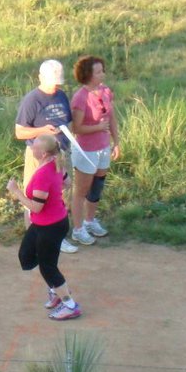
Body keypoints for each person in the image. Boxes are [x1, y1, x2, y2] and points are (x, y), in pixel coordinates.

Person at [6, 134, 81, 321]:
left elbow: (36, 207)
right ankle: (56, 291)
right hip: (48, 223)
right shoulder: (55, 163)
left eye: (35, 147)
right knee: (26, 255)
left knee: (48, 267)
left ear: (44, 153)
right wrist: (54, 194)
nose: (32, 148)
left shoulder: (43, 173)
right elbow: (67, 183)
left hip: (50, 226)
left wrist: (16, 192)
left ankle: (70, 305)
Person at [15, 59, 78, 254]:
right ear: (40, 78)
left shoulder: (61, 96)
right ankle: (33, 238)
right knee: (34, 197)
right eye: (52, 82)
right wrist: (42, 130)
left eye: (57, 82)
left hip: (60, 154)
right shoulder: (32, 100)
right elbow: (19, 132)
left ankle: (57, 239)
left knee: (60, 196)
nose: (55, 86)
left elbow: (68, 121)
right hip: (38, 156)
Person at [69, 55, 120, 246]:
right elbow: (77, 128)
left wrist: (117, 142)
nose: (102, 74)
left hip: (103, 147)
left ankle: (90, 221)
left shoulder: (106, 91)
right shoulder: (81, 97)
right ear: (88, 75)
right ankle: (78, 229)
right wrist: (98, 128)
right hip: (86, 150)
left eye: (102, 70)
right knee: (81, 190)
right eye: (98, 72)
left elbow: (112, 118)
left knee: (97, 187)